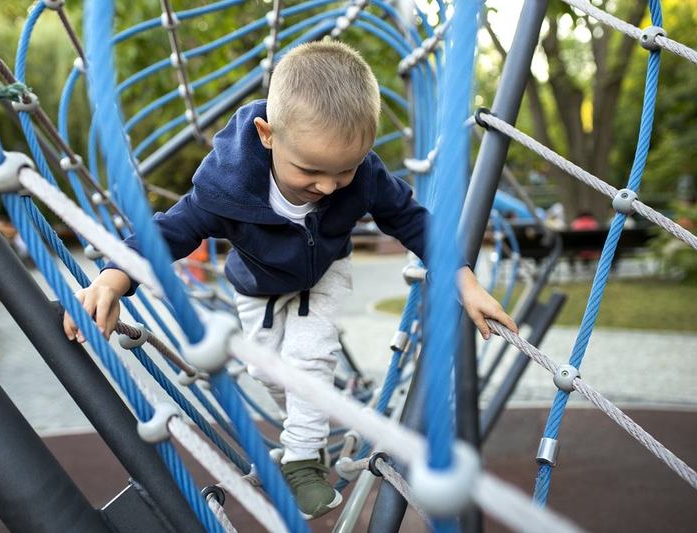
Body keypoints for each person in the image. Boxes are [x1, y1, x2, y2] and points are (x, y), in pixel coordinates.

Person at [63, 41, 517, 519]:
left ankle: (302, 459)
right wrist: (114, 279)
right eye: (311, 171)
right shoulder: (226, 185)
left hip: (322, 276)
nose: (327, 186)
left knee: (307, 355)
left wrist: (464, 279)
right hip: (254, 284)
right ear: (267, 134)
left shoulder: (365, 176)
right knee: (267, 371)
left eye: (343, 171)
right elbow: (167, 232)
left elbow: (411, 220)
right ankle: (312, 419)